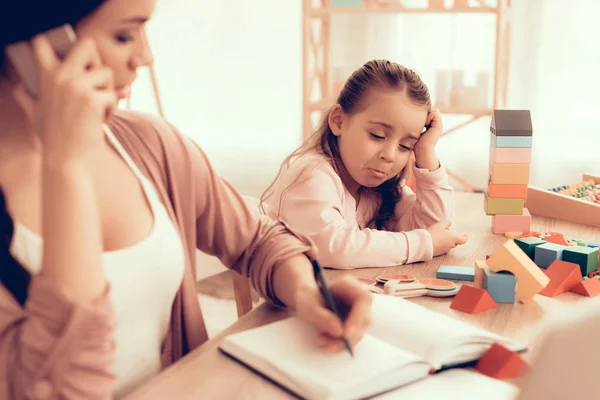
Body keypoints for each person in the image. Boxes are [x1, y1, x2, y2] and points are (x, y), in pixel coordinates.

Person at [0, 1, 372, 398]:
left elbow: (258, 240)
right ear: (34, 45)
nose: (145, 57)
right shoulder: (63, 170)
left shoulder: (149, 143)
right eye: (125, 35)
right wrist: (66, 167)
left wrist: (306, 293)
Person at [261, 60, 468, 270]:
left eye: (405, 146)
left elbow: (437, 229)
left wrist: (425, 152)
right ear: (339, 121)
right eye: (377, 135)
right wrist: (422, 243)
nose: (389, 156)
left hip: (347, 294)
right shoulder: (311, 174)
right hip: (297, 302)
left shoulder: (377, 188)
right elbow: (335, 248)